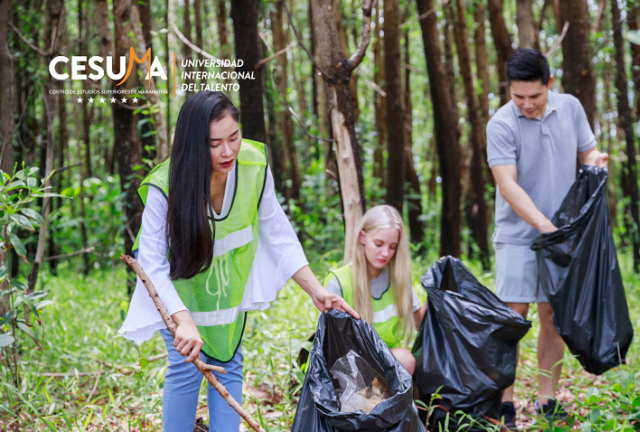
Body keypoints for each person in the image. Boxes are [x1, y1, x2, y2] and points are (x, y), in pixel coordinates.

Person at [118, 91, 357, 432]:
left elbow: (278, 232)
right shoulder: (164, 184)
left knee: (229, 363)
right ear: (193, 143)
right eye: (214, 143)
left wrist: (316, 290)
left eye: (234, 137)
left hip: (227, 298)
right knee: (185, 368)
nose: (228, 151)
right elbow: (152, 262)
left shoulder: (253, 166)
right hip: (180, 301)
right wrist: (183, 321)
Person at [486, 49, 608, 428]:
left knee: (551, 316)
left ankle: (546, 399)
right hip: (518, 234)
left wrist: (594, 162)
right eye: (517, 96)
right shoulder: (501, 123)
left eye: (534, 96)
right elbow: (507, 184)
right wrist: (543, 225)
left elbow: (587, 150)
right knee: (513, 317)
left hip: (563, 234)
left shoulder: (570, 107)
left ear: (549, 85)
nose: (526, 104)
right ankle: (504, 402)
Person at [324, 205, 426, 375]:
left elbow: (419, 324)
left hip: (386, 363)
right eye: (378, 244)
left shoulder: (399, 280)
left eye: (392, 247)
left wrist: (436, 289)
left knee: (405, 358)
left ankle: (392, 400)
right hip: (349, 366)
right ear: (362, 237)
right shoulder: (338, 281)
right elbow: (330, 343)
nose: (385, 253)